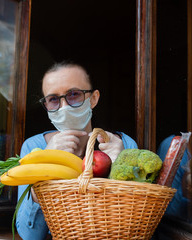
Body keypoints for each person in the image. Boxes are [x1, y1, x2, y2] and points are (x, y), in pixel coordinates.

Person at [16, 62, 138, 240]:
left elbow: (136, 224)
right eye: (53, 99)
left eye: (73, 94)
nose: (64, 106)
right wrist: (45, 163)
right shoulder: (34, 148)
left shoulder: (124, 144)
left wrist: (121, 164)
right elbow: (30, 235)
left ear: (93, 99)